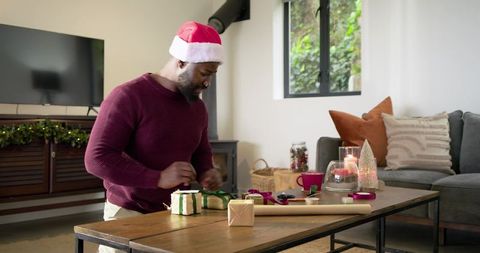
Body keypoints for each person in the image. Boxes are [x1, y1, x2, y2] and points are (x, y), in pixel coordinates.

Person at [84, 20, 224, 253]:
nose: (208, 82)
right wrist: (157, 177)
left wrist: (206, 171)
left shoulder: (197, 106)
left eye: (213, 74)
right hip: (127, 215)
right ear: (181, 62)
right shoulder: (127, 96)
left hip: (175, 215)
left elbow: (201, 151)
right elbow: (96, 159)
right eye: (204, 73)